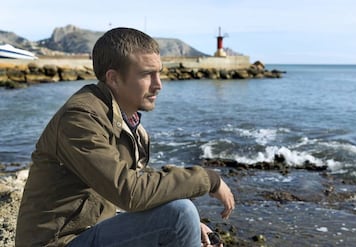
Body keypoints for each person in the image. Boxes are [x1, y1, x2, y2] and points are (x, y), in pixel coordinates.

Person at [15, 27, 235, 247]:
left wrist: (189, 226)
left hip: (87, 231)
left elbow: (133, 186)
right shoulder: (80, 118)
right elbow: (129, 192)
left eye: (159, 73)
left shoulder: (123, 121)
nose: (159, 84)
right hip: (58, 242)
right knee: (180, 213)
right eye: (147, 74)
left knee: (181, 215)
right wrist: (209, 180)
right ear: (113, 78)